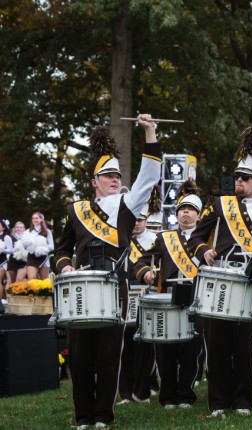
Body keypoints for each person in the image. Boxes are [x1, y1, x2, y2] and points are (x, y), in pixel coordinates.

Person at [52, 115, 162, 429]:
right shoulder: (76, 210)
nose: (114, 179)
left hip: (115, 286)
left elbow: (150, 174)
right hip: (80, 286)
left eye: (117, 174)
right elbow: (61, 250)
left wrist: (150, 131)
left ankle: (103, 416)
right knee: (81, 355)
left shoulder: (127, 204)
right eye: (107, 175)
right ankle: (83, 416)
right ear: (94, 181)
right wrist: (67, 266)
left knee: (110, 353)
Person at [187, 124, 252, 417]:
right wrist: (204, 251)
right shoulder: (218, 203)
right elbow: (195, 238)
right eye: (237, 176)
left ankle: (242, 400)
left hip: (251, 282)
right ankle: (217, 401)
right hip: (220, 280)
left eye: (246, 178)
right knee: (216, 344)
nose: (239, 181)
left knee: (243, 345)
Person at [135, 180, 204, 410]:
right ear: (177, 214)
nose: (186, 212)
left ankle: (185, 394)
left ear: (198, 215)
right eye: (182, 209)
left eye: (191, 209)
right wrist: (145, 273)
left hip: (195, 297)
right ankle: (167, 396)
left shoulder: (206, 240)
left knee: (190, 349)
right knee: (165, 349)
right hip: (168, 297)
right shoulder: (165, 238)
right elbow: (143, 260)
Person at [118, 189, 160, 405]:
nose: (136, 223)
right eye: (133, 219)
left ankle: (146, 386)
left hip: (148, 296)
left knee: (147, 343)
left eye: (140, 219)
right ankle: (126, 391)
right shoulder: (120, 238)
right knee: (125, 345)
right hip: (126, 296)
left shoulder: (155, 239)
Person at [21, 212, 54, 280]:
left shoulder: (47, 231)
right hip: (31, 258)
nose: (34, 220)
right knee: (32, 280)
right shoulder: (28, 231)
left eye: (36, 218)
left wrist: (41, 249)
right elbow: (24, 246)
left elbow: (52, 246)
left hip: (43, 258)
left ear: (41, 219)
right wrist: (29, 243)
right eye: (33, 218)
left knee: (44, 281)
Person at [0, 219, 12, 299]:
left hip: (2, 261)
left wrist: (2, 250)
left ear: (3, 227)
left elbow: (11, 250)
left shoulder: (6, 237)